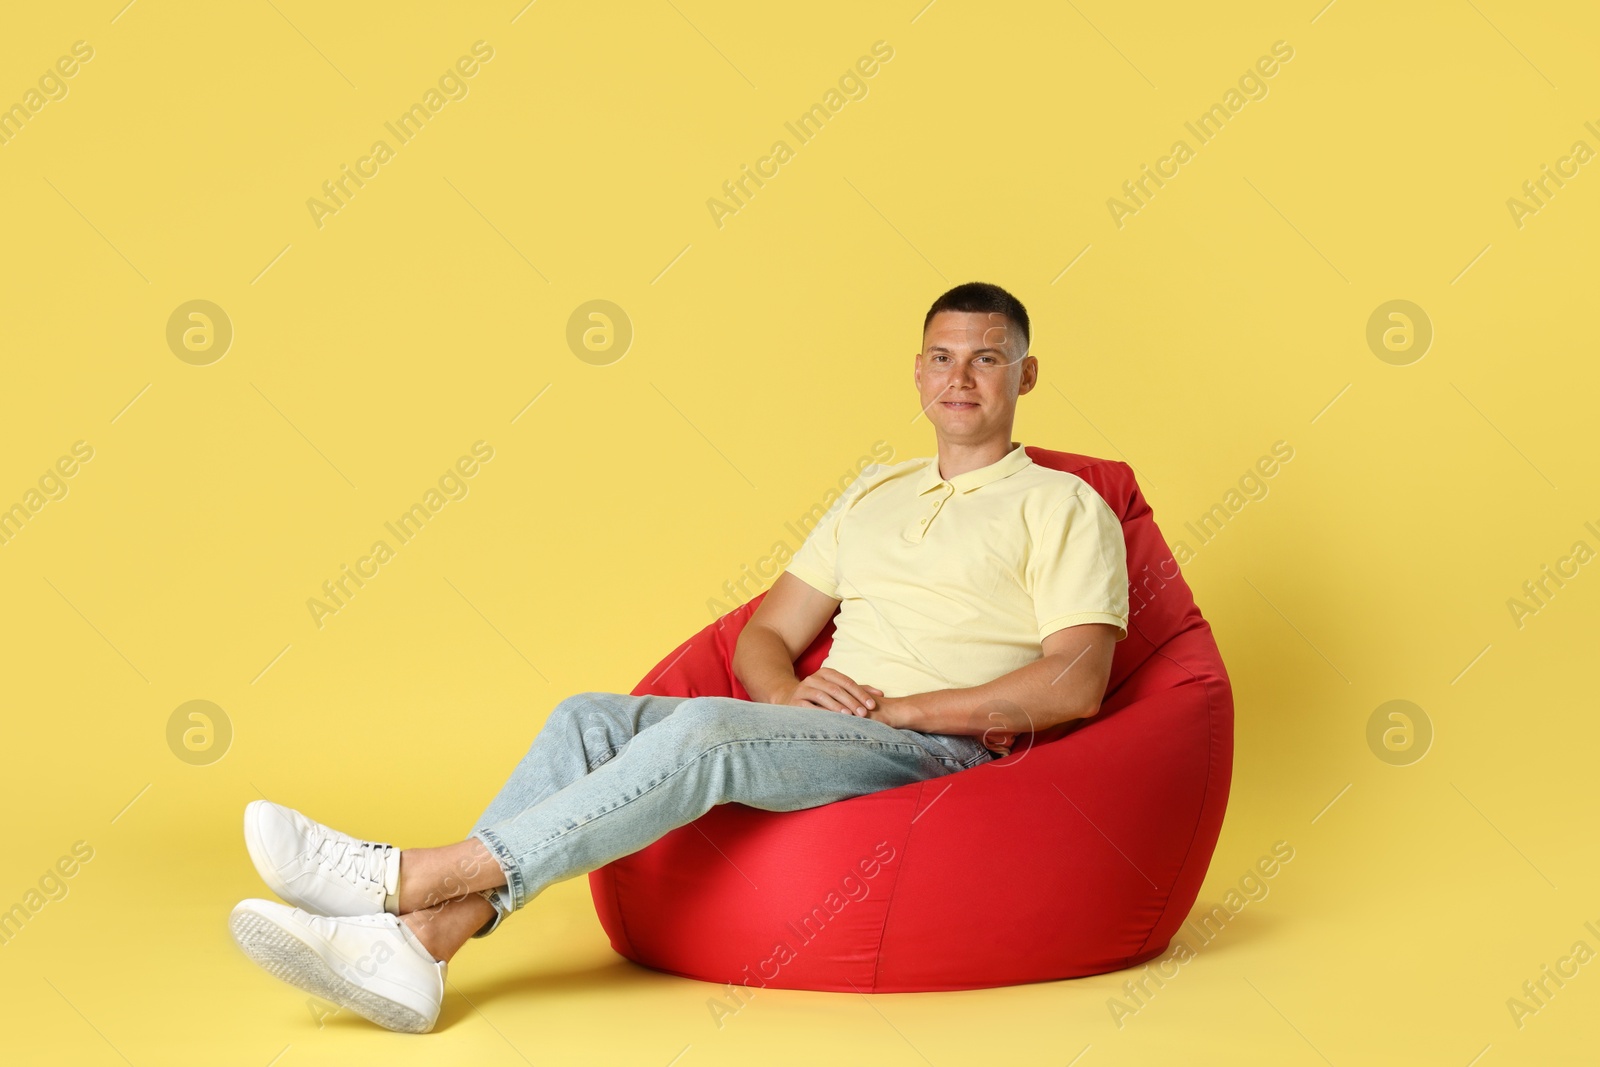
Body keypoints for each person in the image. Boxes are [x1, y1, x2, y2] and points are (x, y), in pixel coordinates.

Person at [228, 281, 1131, 1033]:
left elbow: (1076, 680)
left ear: (1026, 373)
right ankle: (422, 948)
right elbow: (766, 635)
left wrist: (901, 710)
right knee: (588, 717)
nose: (961, 377)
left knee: (704, 731)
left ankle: (411, 878)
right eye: (942, 356)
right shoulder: (875, 492)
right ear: (919, 372)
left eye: (986, 357)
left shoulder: (1062, 505)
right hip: (828, 728)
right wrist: (790, 692)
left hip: (941, 748)